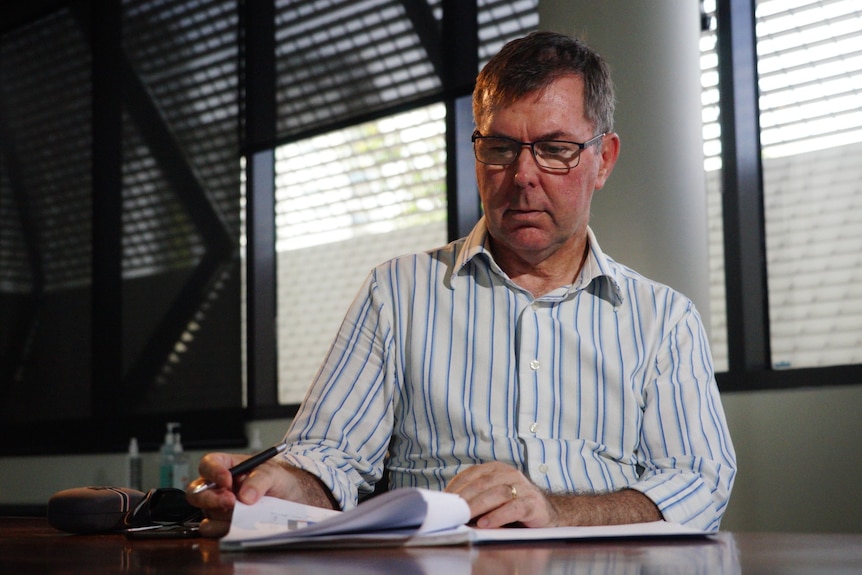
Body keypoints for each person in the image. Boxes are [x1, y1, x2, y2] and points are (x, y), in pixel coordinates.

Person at [188, 31, 736, 537]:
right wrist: (279, 487)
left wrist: (558, 511)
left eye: (555, 149)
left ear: (603, 160)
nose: (523, 175)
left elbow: (700, 483)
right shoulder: (398, 293)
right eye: (500, 148)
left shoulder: (664, 319)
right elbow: (325, 460)